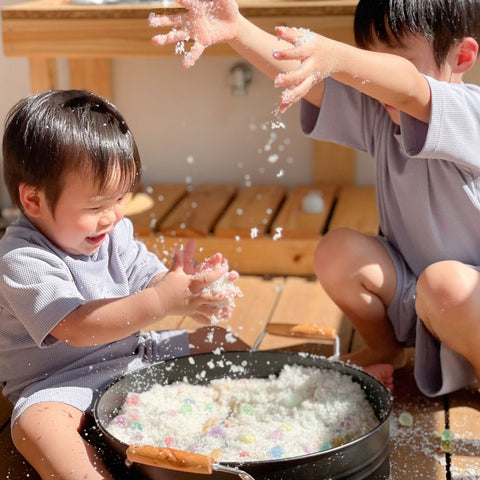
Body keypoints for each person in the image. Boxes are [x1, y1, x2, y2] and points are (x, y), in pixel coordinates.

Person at [150, 0, 480, 395]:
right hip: (417, 294)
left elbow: (409, 86)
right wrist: (237, 29)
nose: (370, 80)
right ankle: (386, 349)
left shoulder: (469, 112)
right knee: (337, 251)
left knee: (446, 283)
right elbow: (310, 76)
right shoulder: (382, 113)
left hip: (466, 302)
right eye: (368, 61)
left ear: (462, 56)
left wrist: (336, 55)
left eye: (387, 64)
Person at [0, 89, 247, 479]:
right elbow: (77, 328)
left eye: (122, 199)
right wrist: (163, 301)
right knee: (36, 426)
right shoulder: (22, 260)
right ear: (32, 200)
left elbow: (147, 278)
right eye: (96, 206)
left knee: (224, 343)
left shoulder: (115, 234)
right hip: (63, 384)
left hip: (135, 357)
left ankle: (234, 432)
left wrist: (188, 287)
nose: (112, 217)